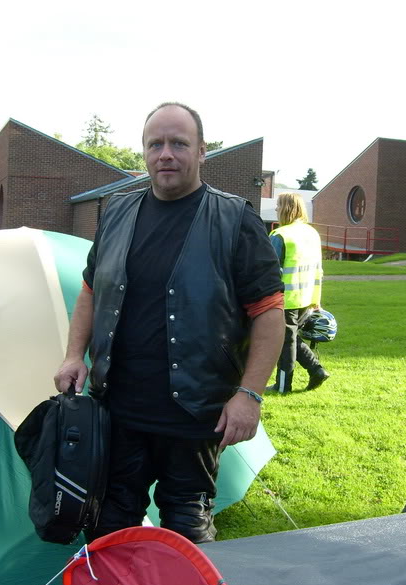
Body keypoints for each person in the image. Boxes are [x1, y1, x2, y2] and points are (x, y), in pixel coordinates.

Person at [53, 102, 284, 544]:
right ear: (143, 152)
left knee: (187, 532)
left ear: (201, 153)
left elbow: (269, 311)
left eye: (179, 143)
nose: (166, 154)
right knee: (110, 528)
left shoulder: (235, 218)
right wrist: (72, 355)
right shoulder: (117, 213)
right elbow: (89, 292)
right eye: (155, 144)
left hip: (195, 416)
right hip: (119, 409)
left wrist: (249, 395)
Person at [266, 192, 330, 394]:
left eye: (278, 205)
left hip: (286, 299)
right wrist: (316, 299)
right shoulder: (312, 233)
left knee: (285, 342)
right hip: (307, 297)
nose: (276, 209)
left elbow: (269, 270)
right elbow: (318, 269)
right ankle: (316, 370)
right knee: (290, 338)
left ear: (286, 208)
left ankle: (283, 386)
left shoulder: (280, 235)